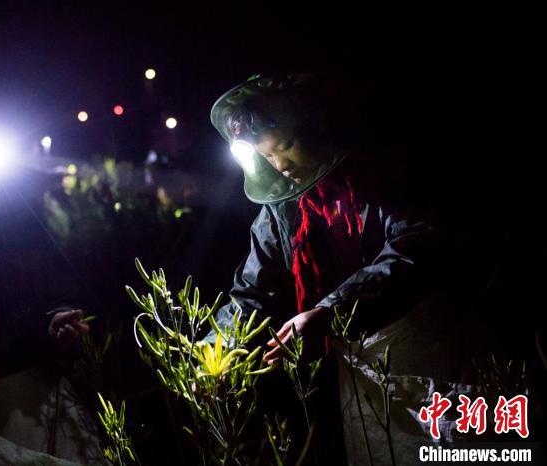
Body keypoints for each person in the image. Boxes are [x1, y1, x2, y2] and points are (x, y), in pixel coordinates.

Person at [208, 73, 488, 464]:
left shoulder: (380, 173)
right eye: (268, 156)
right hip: (355, 374)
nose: (281, 164)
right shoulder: (281, 209)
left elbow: (417, 245)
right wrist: (213, 348)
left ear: (311, 126)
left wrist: (331, 311)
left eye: (285, 146)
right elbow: (253, 289)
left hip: (429, 353)